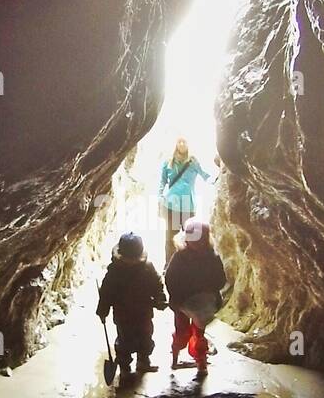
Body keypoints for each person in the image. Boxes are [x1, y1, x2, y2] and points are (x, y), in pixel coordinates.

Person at [96, 232, 168, 380]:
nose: (131, 262)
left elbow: (157, 284)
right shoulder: (114, 272)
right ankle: (124, 367)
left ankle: (143, 361)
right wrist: (103, 309)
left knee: (146, 336)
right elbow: (106, 293)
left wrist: (160, 298)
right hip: (123, 314)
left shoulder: (147, 268)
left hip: (144, 312)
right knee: (124, 341)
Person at [164, 218, 227, 373]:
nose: (198, 244)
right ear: (187, 239)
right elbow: (170, 279)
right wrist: (178, 298)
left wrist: (209, 291)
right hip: (183, 303)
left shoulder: (212, 257)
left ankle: (201, 361)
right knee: (182, 332)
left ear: (206, 240)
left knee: (199, 334)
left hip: (203, 304)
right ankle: (176, 355)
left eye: (201, 241)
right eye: (194, 241)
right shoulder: (180, 257)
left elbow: (220, 279)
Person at [159, 138, 213, 263]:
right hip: (171, 206)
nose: (182, 144)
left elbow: (205, 175)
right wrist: (160, 195)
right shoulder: (168, 162)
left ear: (188, 144)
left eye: (184, 142)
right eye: (179, 142)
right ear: (176, 144)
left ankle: (189, 264)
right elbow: (162, 181)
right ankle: (169, 264)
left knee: (191, 238)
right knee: (170, 238)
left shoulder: (193, 162)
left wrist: (215, 180)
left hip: (188, 206)